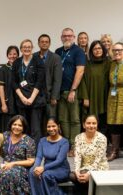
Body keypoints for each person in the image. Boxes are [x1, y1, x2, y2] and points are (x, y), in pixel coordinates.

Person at [55, 28, 86, 156]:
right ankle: (66, 145)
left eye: (69, 36)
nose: (67, 38)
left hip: (72, 91)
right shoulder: (58, 51)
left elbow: (80, 71)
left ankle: (74, 146)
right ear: (61, 37)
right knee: (63, 119)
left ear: (73, 37)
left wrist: (73, 89)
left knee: (74, 120)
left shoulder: (78, 51)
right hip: (59, 91)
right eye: (65, 36)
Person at [12, 39, 46, 144]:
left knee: (35, 128)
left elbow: (40, 81)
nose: (26, 49)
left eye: (29, 47)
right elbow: (14, 82)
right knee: (22, 126)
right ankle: (23, 148)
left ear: (32, 48)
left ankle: (35, 151)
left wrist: (31, 98)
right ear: (21, 49)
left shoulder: (38, 61)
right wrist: (22, 97)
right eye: (24, 47)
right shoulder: (17, 62)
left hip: (35, 100)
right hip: (21, 100)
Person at [0, 115, 36, 195]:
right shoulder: (4, 136)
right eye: (14, 124)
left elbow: (31, 161)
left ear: (24, 127)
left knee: (8, 174)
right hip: (4, 166)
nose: (17, 127)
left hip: (20, 168)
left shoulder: (29, 141)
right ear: (11, 125)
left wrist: (13, 163)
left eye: (20, 125)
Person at [29, 118, 70, 195]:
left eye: (53, 126)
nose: (51, 129)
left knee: (45, 175)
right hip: (47, 169)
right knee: (32, 171)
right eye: (49, 126)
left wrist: (43, 168)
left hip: (61, 169)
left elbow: (59, 160)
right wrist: (36, 167)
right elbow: (39, 157)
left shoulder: (64, 142)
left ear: (58, 126)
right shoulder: (42, 140)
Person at [71, 114, 108, 195]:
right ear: (84, 125)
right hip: (83, 167)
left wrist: (89, 174)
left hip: (99, 167)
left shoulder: (102, 138)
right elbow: (78, 157)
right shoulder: (78, 137)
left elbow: (97, 161)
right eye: (88, 123)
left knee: (84, 177)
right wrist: (77, 171)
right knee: (73, 176)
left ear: (97, 124)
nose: (91, 126)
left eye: (94, 123)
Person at [80, 40, 110, 135]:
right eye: (95, 48)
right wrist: (85, 97)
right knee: (91, 119)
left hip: (105, 96)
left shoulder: (109, 62)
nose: (97, 50)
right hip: (91, 96)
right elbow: (83, 81)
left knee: (104, 120)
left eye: (99, 48)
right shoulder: (87, 64)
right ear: (91, 51)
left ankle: (103, 141)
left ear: (103, 49)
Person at [34, 34, 62, 122]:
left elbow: (57, 79)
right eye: (42, 42)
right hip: (36, 96)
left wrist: (54, 96)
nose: (44, 43)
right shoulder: (33, 56)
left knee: (50, 120)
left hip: (50, 96)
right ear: (38, 43)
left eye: (46, 42)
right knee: (37, 121)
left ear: (49, 44)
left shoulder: (56, 58)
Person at [0, 45, 19, 131]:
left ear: (18, 55)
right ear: (7, 55)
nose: (12, 56)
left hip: (19, 103)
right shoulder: (3, 69)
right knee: (7, 126)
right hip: (8, 103)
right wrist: (3, 104)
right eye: (10, 54)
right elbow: (1, 88)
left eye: (15, 54)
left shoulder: (21, 67)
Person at [107, 42, 123, 161]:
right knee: (113, 123)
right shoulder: (111, 64)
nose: (117, 52)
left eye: (120, 50)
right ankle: (114, 150)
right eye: (115, 50)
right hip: (112, 96)